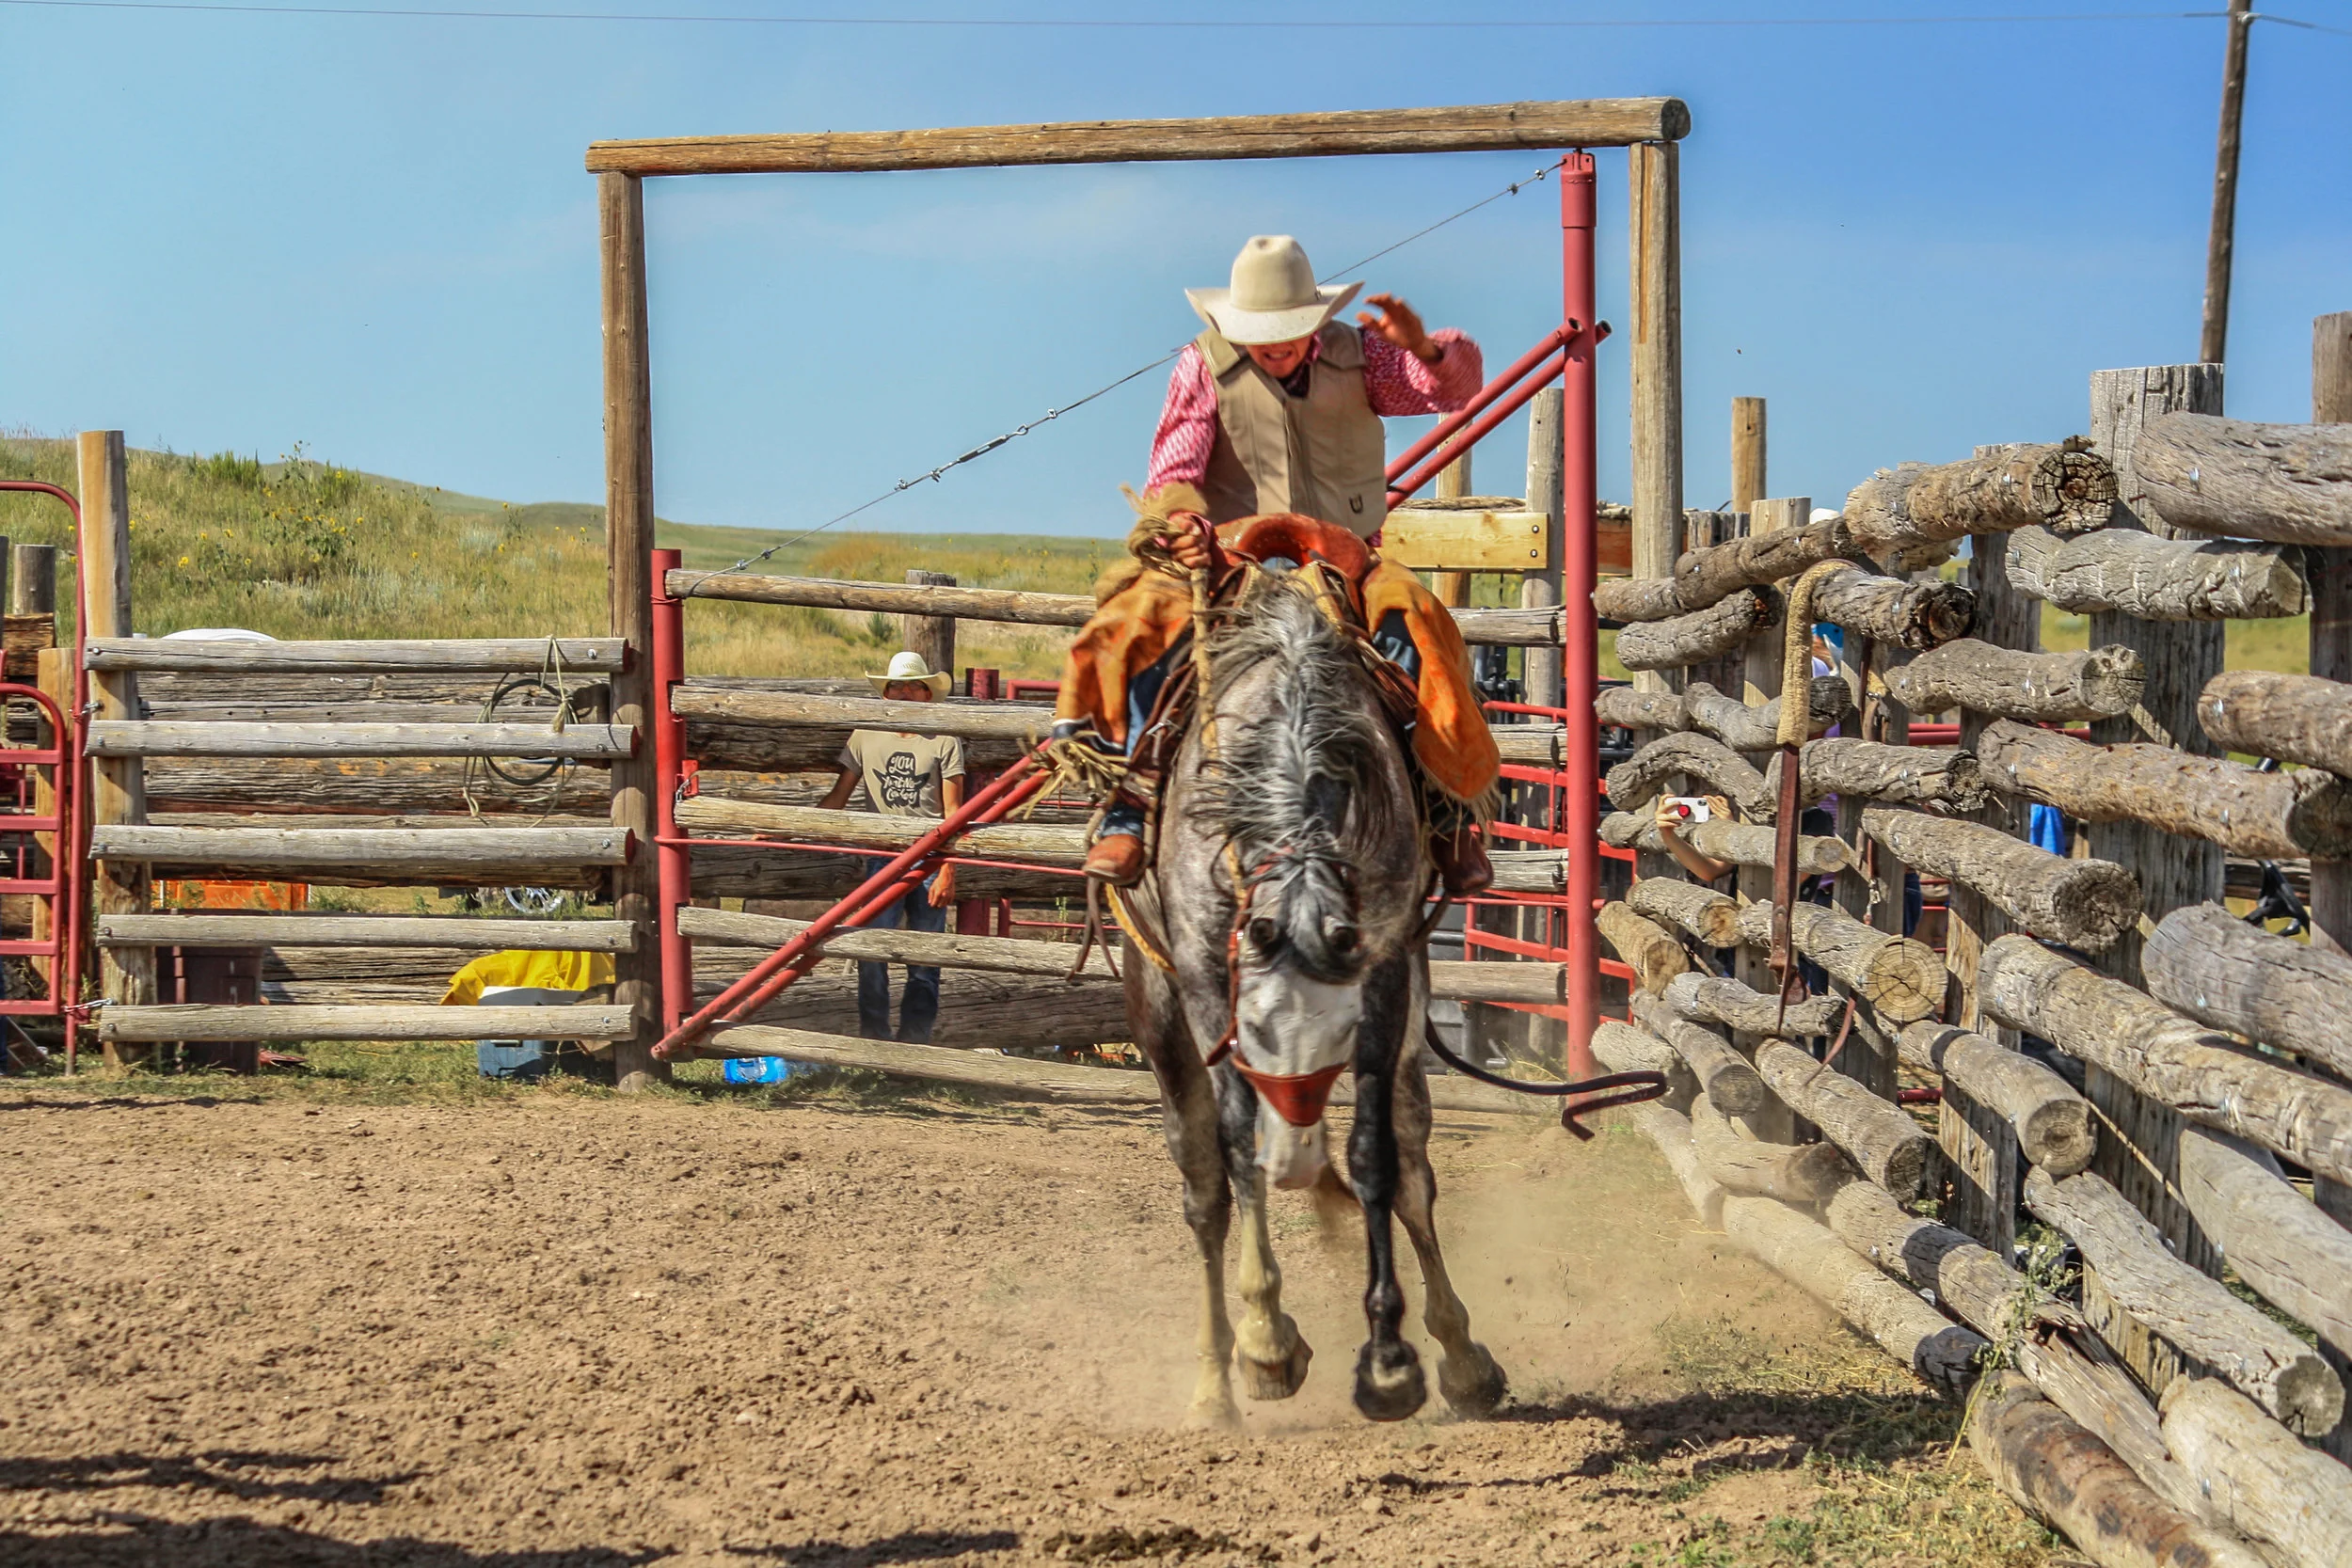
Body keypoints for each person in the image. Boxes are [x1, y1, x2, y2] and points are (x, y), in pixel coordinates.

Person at [1054, 233, 1502, 894]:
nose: (1277, 343)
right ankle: (1130, 803)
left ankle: (1444, 809)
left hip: (1346, 556)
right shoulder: (1202, 364)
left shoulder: (1362, 354)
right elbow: (1175, 467)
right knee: (1138, 628)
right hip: (1232, 554)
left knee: (1420, 630)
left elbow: (1447, 390)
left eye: (1289, 329)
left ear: (1314, 320)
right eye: (1262, 331)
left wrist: (1424, 348)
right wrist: (1183, 526)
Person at [817, 651, 965, 1045]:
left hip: (930, 859)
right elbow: (839, 795)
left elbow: (953, 813)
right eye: (896, 686)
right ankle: (876, 1042)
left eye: (914, 686)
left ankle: (914, 1043)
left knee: (924, 958)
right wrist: (783, 828)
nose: (904, 693)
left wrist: (949, 869)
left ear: (927, 693)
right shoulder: (865, 734)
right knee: (872, 952)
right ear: (885, 693)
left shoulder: (945, 738)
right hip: (881, 856)